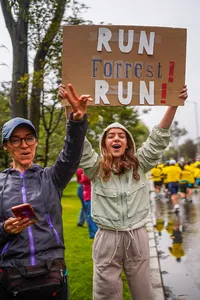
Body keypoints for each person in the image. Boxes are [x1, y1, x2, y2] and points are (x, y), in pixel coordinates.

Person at [59, 84, 188, 300]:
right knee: (106, 294)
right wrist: (70, 109)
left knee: (143, 293)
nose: (116, 139)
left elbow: (158, 138)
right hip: (107, 238)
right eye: (111, 136)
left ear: (127, 143)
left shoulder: (141, 164)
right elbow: (79, 145)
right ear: (104, 144)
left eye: (121, 135)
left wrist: (174, 104)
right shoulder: (95, 168)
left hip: (136, 236)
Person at [0, 84, 89, 299]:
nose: (24, 145)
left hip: (52, 272)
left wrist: (76, 121)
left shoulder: (51, 177)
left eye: (29, 138)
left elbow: (71, 154)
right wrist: (5, 229)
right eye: (16, 139)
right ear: (6, 146)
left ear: (36, 143)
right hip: (12, 276)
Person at [76, 168, 98, 238]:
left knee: (88, 213)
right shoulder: (85, 173)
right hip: (89, 195)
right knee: (90, 215)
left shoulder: (81, 171)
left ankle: (94, 232)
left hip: (88, 194)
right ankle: (93, 233)